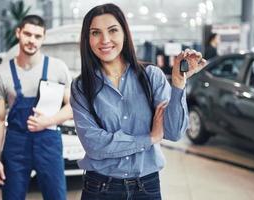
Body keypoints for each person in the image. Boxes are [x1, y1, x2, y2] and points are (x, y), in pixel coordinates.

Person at [70, 3, 206, 200]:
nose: (105, 40)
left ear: (125, 33)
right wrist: (148, 139)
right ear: (87, 39)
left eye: (113, 30)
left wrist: (178, 83)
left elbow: (174, 132)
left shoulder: (151, 76)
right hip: (100, 188)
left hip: (147, 187)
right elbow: (94, 145)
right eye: (95, 33)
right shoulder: (82, 87)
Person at [0, 15, 72, 200]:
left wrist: (49, 121)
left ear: (43, 38)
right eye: (27, 34)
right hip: (16, 144)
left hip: (48, 141)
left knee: (56, 196)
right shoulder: (1, 73)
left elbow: (74, 107)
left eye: (37, 36)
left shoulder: (57, 68)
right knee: (12, 196)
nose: (32, 40)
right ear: (18, 33)